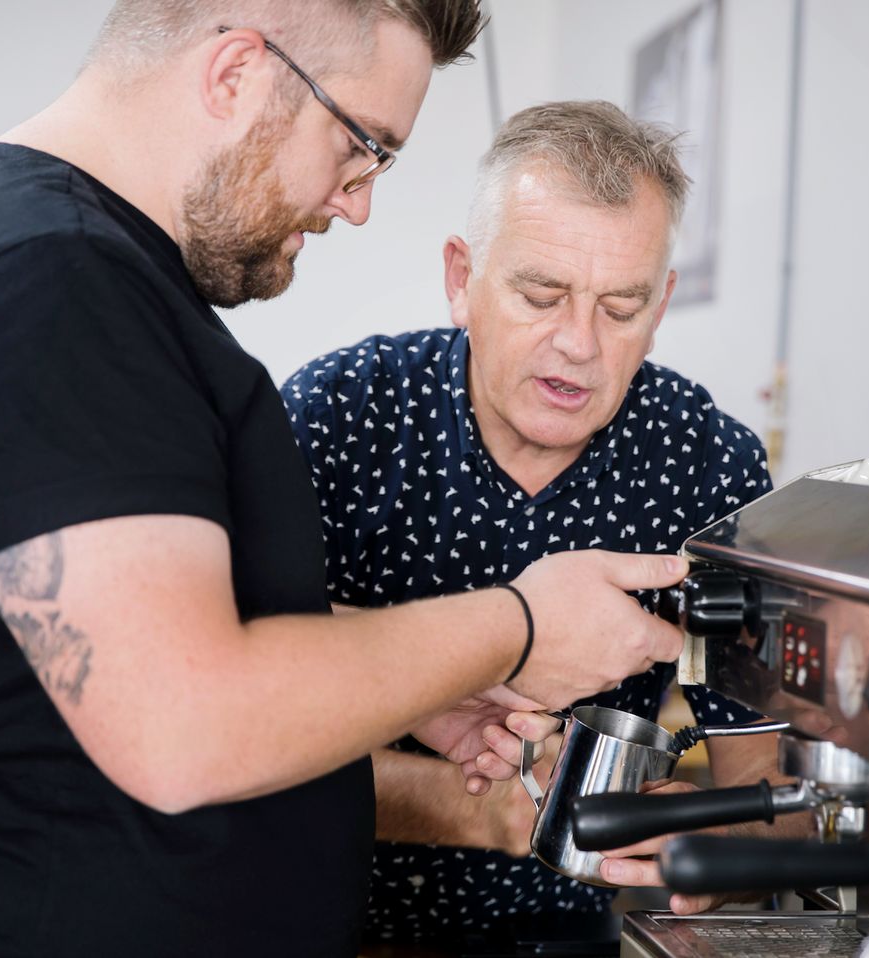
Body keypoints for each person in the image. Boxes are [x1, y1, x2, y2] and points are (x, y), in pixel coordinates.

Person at [0, 8, 691, 957]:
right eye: (361, 146)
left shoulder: (84, 272)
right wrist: (521, 627)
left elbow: (133, 629)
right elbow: (183, 725)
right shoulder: (49, 284)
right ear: (236, 75)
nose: (356, 202)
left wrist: (433, 683)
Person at [280, 101, 805, 954]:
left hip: (579, 934)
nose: (578, 345)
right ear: (461, 278)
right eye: (539, 294)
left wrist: (722, 847)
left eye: (621, 307)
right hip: (322, 926)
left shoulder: (706, 465)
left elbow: (773, 790)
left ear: (661, 302)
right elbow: (234, 725)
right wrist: (486, 808)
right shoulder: (337, 421)